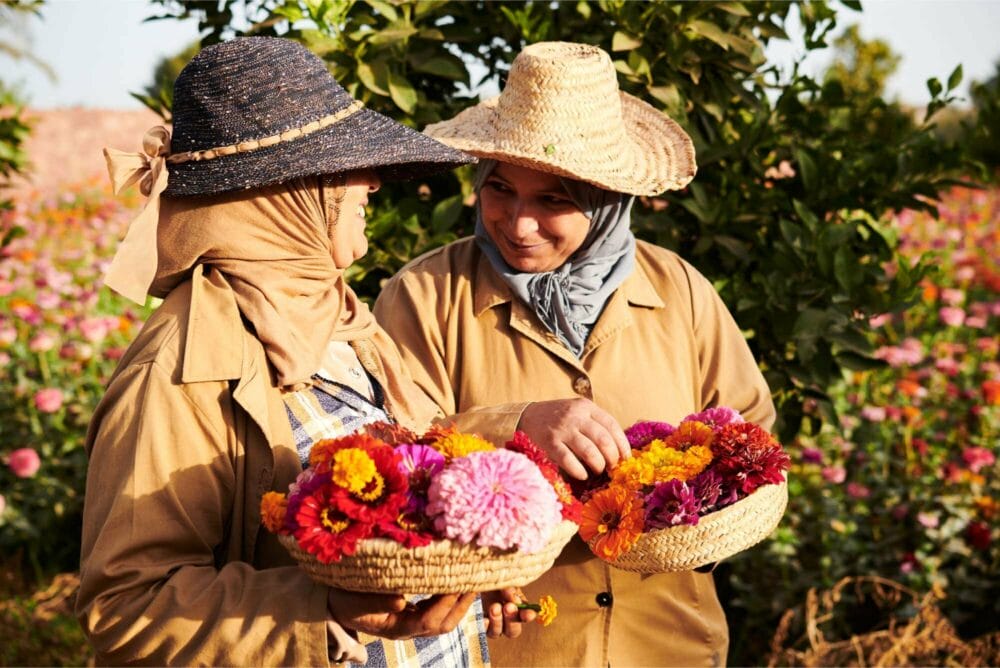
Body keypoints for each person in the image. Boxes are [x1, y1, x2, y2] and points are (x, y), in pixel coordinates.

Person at [77, 36, 528, 667]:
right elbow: (126, 606)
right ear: (289, 196)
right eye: (345, 167)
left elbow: (403, 488)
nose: (371, 182)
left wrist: (462, 560)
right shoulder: (180, 367)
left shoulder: (342, 321)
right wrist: (318, 609)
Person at [374, 41, 777, 667]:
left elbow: (750, 435)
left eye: (554, 200)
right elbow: (390, 451)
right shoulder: (425, 296)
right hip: (509, 649)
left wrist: (691, 514)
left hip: (669, 644)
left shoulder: (680, 292)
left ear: (607, 201)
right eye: (500, 189)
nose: (518, 223)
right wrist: (515, 424)